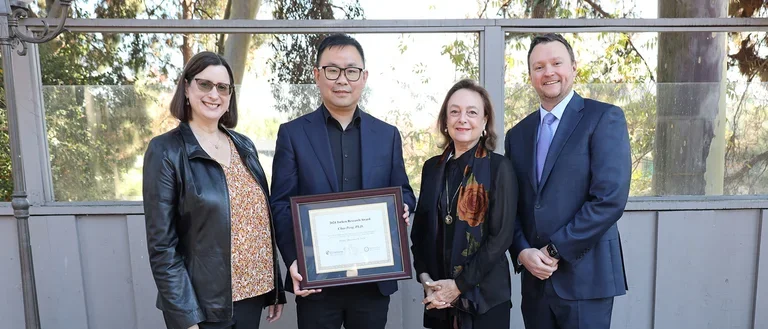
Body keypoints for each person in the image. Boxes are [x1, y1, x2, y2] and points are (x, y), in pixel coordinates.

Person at [269, 33, 416, 329]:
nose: (342, 80)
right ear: (317, 75)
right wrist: (294, 260)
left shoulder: (387, 135)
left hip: (373, 281)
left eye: (351, 71)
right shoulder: (293, 134)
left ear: (363, 77)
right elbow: (281, 203)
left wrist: (404, 208)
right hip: (317, 281)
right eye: (332, 70)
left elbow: (404, 192)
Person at [143, 51, 286, 329]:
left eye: (223, 88)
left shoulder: (244, 145)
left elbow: (259, 222)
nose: (214, 94)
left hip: (252, 295)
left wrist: (274, 287)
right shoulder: (166, 150)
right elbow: (162, 247)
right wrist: (185, 316)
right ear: (186, 87)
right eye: (204, 84)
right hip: (202, 306)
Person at [504, 33, 630, 329]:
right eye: (539, 66)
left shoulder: (603, 118)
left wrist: (553, 250)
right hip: (536, 283)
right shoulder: (517, 135)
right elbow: (512, 206)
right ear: (531, 75)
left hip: (586, 279)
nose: (548, 72)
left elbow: (609, 199)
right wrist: (522, 251)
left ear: (573, 67)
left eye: (556, 63)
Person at [410, 79, 517, 329]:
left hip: (484, 301)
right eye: (454, 111)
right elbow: (421, 233)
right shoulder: (431, 168)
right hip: (438, 299)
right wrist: (426, 279)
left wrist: (457, 286)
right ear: (445, 121)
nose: (462, 119)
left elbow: (500, 239)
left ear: (484, 121)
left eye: (472, 112)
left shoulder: (499, 167)